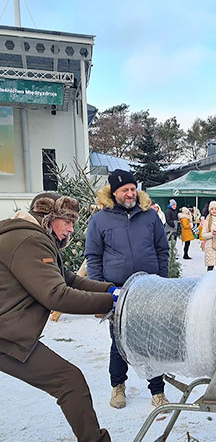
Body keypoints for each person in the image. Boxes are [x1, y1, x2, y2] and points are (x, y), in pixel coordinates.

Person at [0, 192, 148, 442]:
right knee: (69, 381)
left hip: (7, 330)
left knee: (68, 380)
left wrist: (112, 290)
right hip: (6, 335)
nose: (71, 229)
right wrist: (112, 304)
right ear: (48, 218)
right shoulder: (30, 241)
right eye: (66, 221)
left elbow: (68, 278)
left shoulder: (29, 237)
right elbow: (56, 295)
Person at [85, 169, 170, 410]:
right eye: (125, 190)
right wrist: (101, 290)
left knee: (149, 340)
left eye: (133, 189)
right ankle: (118, 387)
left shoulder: (149, 216)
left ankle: (157, 391)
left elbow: (162, 250)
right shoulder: (100, 220)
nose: (130, 193)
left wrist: (161, 280)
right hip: (117, 292)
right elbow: (93, 257)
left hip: (149, 288)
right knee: (119, 341)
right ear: (113, 193)